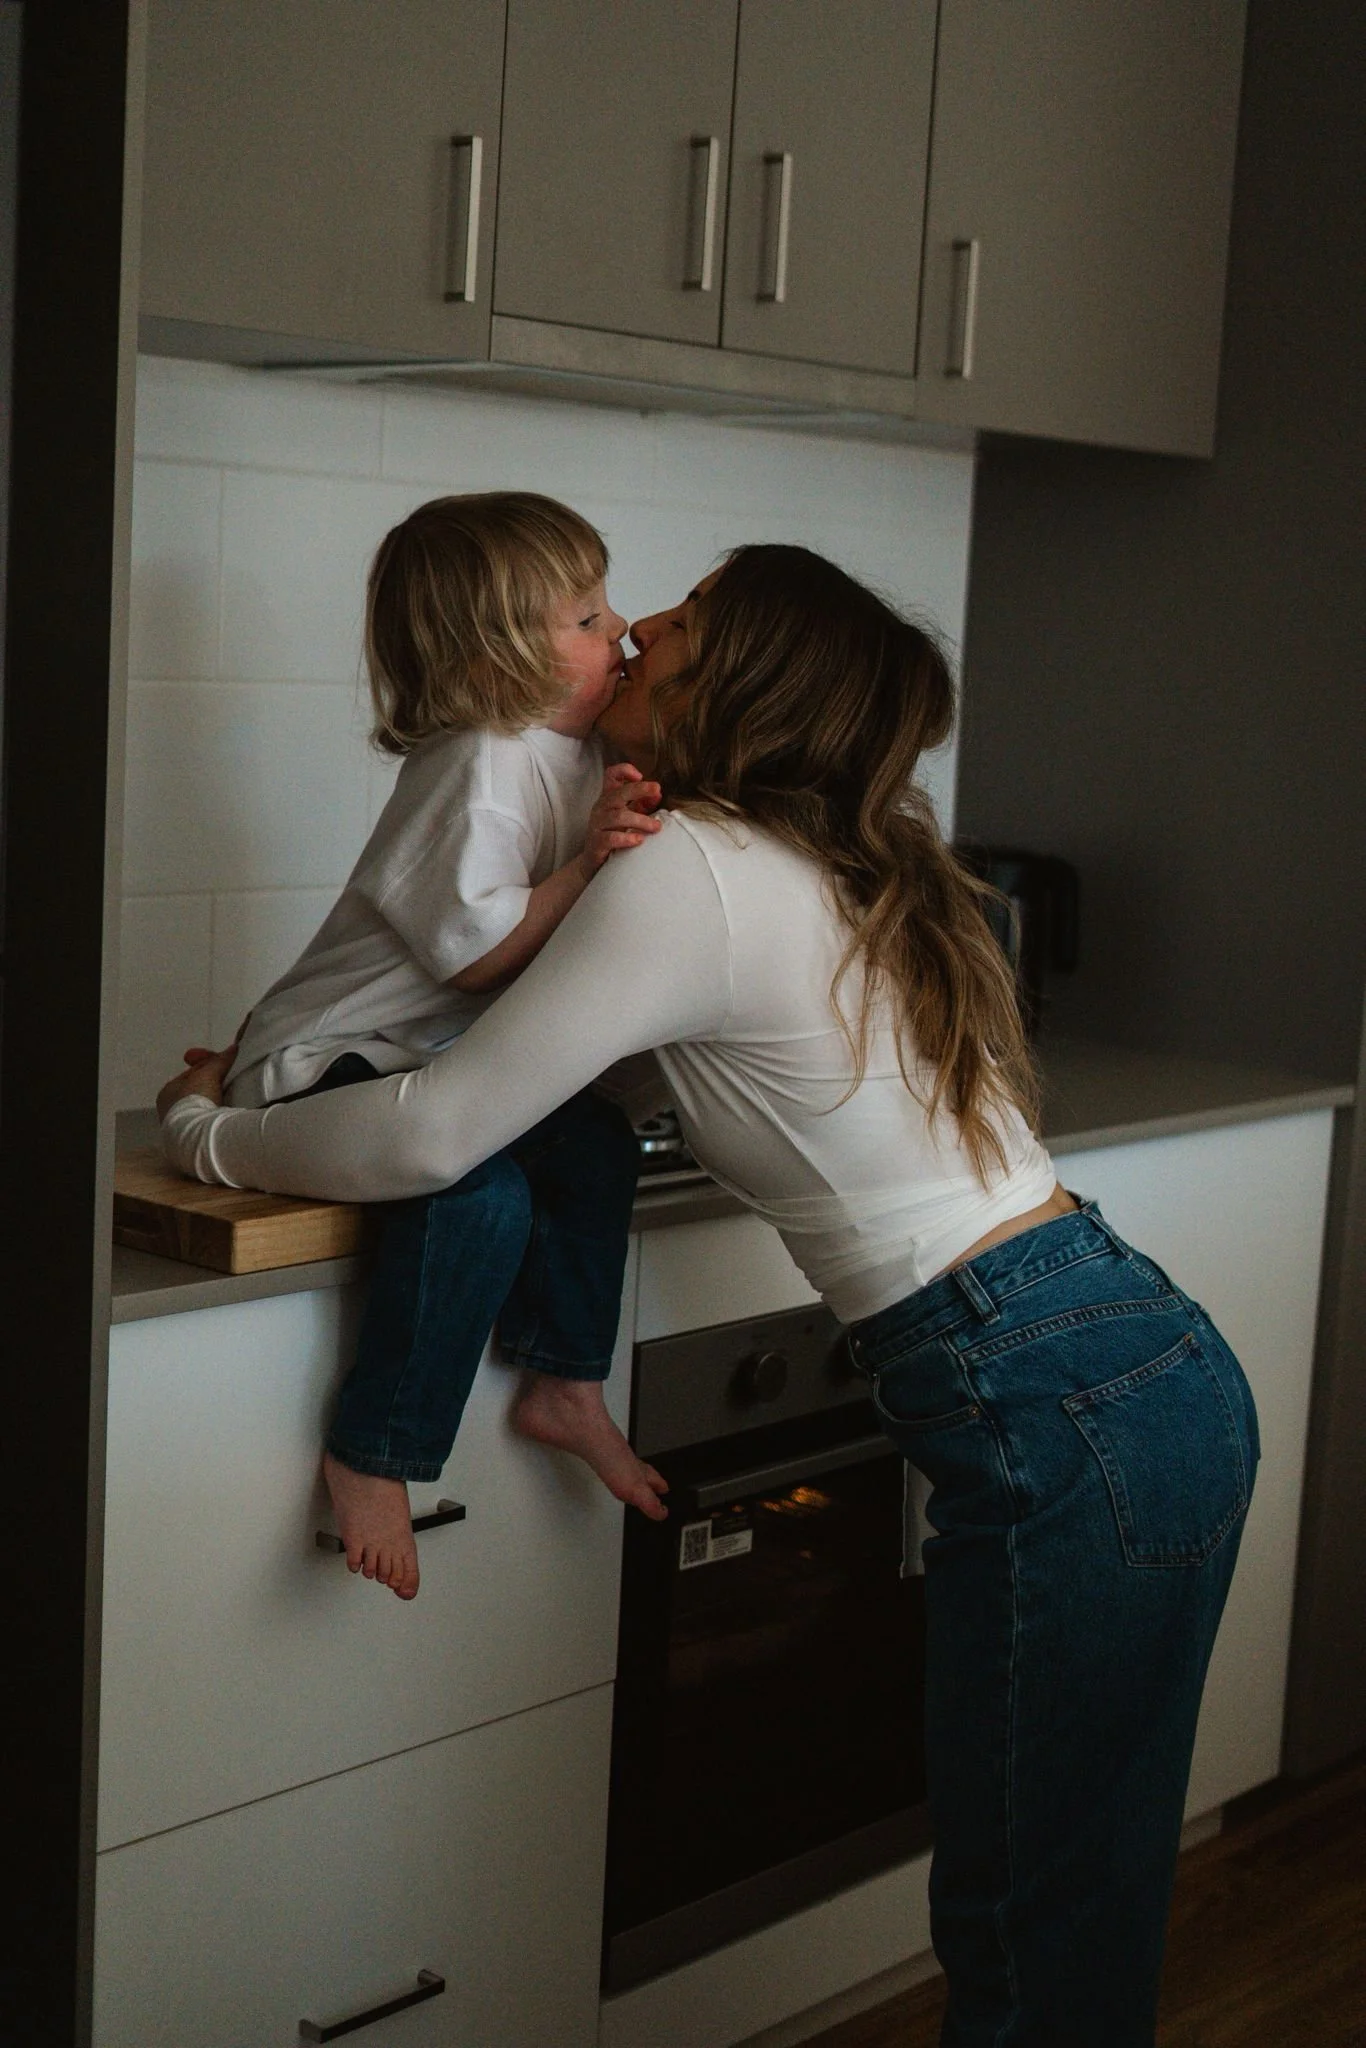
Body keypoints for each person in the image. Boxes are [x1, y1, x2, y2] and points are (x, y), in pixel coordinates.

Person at [159, 544, 1257, 2046]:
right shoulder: (826, 860)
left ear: (729, 680)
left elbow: (434, 1130)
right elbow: (525, 1062)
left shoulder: (693, 871)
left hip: (1047, 1393)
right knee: (1076, 1916)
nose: (643, 633)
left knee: (1027, 1936)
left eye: (678, 622)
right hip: (1127, 1361)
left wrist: (213, 1135)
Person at [195, 492, 670, 1603]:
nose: (623, 633)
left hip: (434, 1065)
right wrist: (590, 863)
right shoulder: (480, 759)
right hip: (331, 1057)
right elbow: (477, 957)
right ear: (500, 652)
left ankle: (562, 1380)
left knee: (597, 1147)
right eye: (588, 618)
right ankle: (377, 1447)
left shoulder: (571, 746)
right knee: (475, 1196)